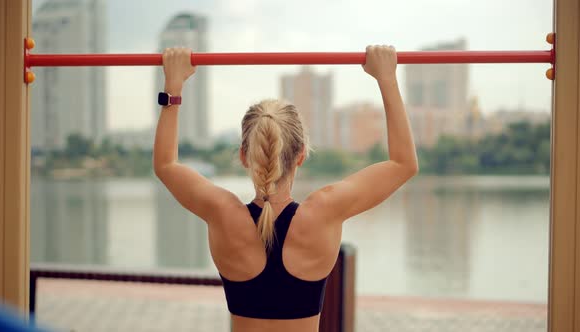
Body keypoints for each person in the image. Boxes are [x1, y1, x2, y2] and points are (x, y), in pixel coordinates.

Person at [153, 45, 418, 332]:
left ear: (244, 155)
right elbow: (403, 164)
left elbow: (166, 165)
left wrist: (173, 85)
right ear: (302, 154)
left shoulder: (223, 213)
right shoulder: (324, 211)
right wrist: (386, 78)